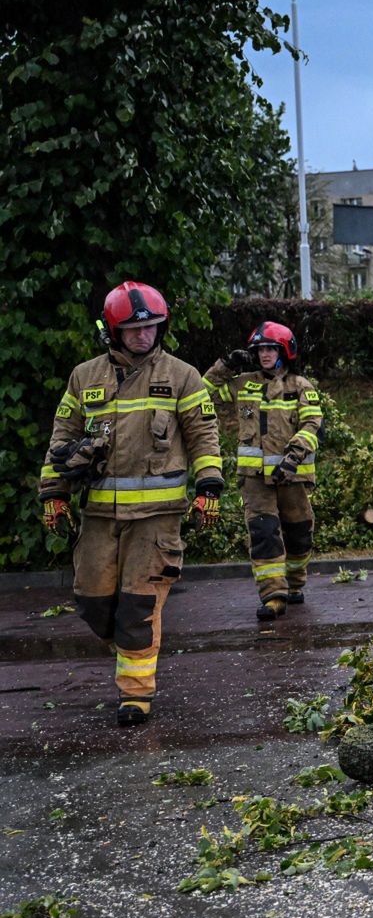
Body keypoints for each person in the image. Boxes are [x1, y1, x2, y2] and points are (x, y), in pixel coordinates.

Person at [39, 282, 223, 727]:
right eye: (133, 329)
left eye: (151, 327)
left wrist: (209, 487)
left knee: (138, 606)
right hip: (98, 515)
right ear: (112, 331)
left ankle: (135, 694)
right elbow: (62, 438)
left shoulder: (182, 376)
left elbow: (203, 436)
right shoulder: (84, 377)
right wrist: (53, 494)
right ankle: (131, 653)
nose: (143, 335)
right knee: (93, 602)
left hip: (156, 519)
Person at [203, 321, 323, 620]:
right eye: (260, 350)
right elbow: (202, 394)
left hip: (292, 476)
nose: (265, 354)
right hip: (254, 479)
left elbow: (313, 425)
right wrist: (225, 366)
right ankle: (273, 596)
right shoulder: (244, 383)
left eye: (271, 348)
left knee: (299, 535)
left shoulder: (300, 386)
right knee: (264, 534)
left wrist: (293, 458)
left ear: (284, 351)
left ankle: (294, 583)